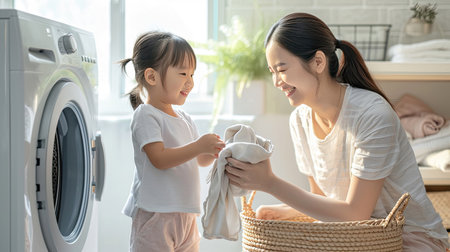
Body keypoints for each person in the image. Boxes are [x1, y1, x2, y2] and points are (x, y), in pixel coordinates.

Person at [225, 13, 449, 251]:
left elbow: (356, 213)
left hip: (409, 239)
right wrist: (281, 211)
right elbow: (324, 204)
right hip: (354, 239)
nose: (276, 82)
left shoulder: (371, 114)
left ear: (318, 62)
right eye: (272, 71)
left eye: (281, 69)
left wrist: (270, 183)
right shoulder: (300, 120)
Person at [120, 31, 226, 252]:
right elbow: (159, 158)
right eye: (183, 73)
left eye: (192, 75)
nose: (190, 82)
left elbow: (199, 160)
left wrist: (213, 151)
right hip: (155, 213)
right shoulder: (146, 115)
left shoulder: (184, 118)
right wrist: (198, 146)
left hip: (185, 213)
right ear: (152, 77)